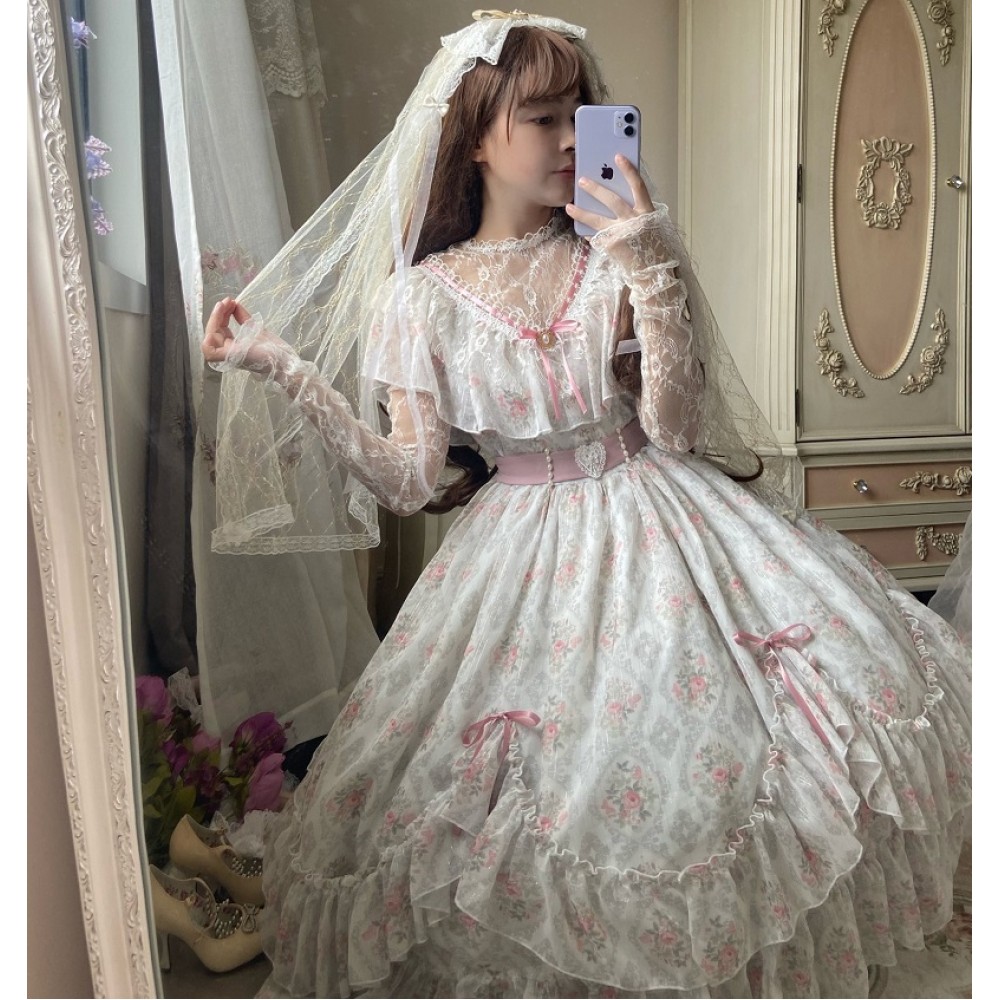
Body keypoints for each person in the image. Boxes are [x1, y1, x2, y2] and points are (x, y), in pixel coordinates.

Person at [201, 13, 972, 999]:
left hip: (665, 515)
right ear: (475, 137)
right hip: (516, 552)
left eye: (582, 113)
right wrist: (285, 368)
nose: (572, 138)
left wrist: (647, 257)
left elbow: (675, 428)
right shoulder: (418, 300)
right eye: (543, 118)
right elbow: (409, 481)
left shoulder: (614, 253)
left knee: (747, 750)